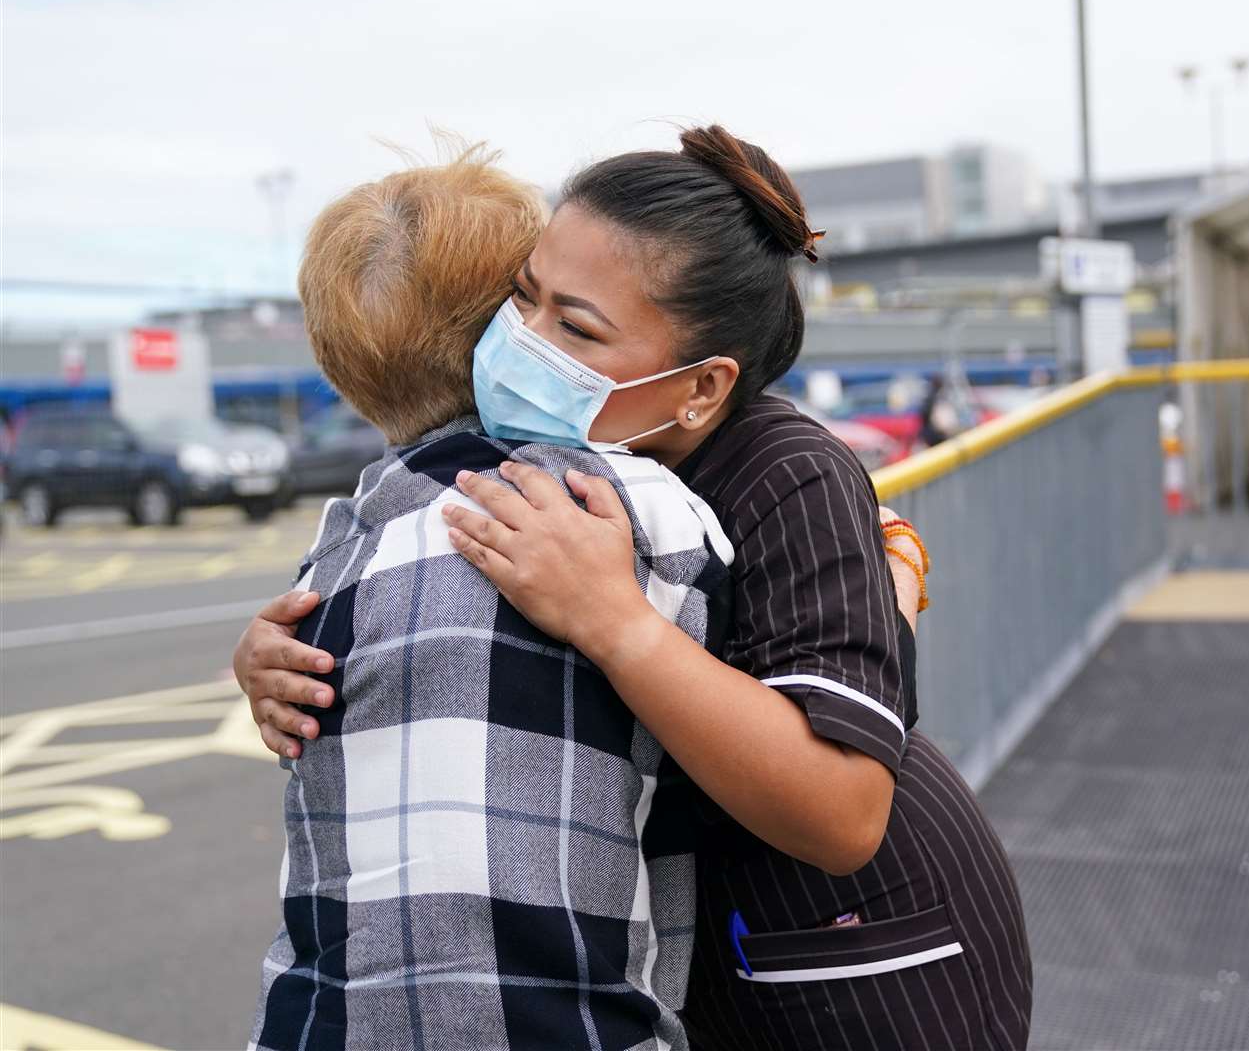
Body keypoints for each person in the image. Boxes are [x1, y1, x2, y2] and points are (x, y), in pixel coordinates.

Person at [238, 125, 1033, 1051]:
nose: (523, 344)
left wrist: (615, 622)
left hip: (857, 967)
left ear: (700, 388)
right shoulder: (581, 462)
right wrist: (290, 651)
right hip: (720, 965)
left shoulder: (786, 469)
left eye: (576, 328)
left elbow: (845, 812)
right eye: (520, 300)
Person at [246, 148, 736, 1051]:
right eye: (528, 296)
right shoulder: (627, 506)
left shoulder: (338, 546)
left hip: (316, 1026)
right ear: (497, 332)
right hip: (562, 1026)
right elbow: (753, 690)